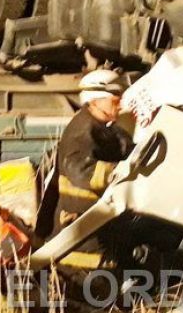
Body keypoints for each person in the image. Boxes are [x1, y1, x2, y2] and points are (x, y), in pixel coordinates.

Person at [50, 69, 134, 268]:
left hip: (99, 221)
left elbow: (122, 145)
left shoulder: (102, 126)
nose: (120, 104)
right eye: (114, 100)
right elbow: (80, 171)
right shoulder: (82, 132)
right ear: (95, 100)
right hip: (84, 234)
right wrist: (116, 171)